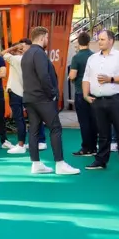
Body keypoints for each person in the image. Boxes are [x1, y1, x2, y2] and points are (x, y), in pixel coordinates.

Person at [22, 25, 80, 176]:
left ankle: (36, 164)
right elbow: (43, 76)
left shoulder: (26, 54)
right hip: (43, 98)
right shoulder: (39, 53)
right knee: (55, 128)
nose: (48, 40)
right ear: (42, 38)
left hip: (30, 98)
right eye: (47, 37)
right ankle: (60, 164)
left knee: (34, 131)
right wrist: (52, 94)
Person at [81, 30, 119, 171]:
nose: (99, 42)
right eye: (98, 39)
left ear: (111, 41)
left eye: (102, 39)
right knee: (102, 133)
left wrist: (110, 79)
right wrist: (86, 95)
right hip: (98, 101)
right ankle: (100, 161)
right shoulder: (92, 58)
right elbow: (86, 78)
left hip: (117, 100)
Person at [3, 39, 33, 155]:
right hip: (25, 92)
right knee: (27, 119)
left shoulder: (15, 59)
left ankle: (21, 144)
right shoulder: (28, 59)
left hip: (15, 92)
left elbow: (2, 54)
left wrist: (12, 48)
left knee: (19, 119)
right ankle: (26, 143)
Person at [68, 33, 97, 156]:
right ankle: (94, 147)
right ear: (89, 42)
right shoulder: (94, 56)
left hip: (81, 92)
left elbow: (72, 75)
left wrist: (70, 77)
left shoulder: (77, 57)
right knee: (93, 121)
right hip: (93, 92)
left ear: (78, 42)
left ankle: (86, 148)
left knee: (84, 122)